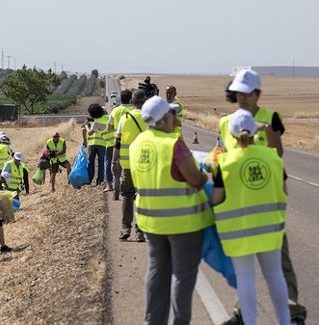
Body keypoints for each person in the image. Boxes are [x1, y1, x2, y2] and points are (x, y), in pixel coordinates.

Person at [219, 69, 306, 325]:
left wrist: (266, 133)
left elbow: (277, 153)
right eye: (238, 93)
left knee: (279, 261)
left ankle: (293, 313)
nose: (242, 98)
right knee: (243, 268)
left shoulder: (271, 118)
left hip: (265, 193)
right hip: (240, 197)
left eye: (246, 94)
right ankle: (242, 313)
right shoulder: (226, 122)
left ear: (257, 94)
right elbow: (226, 154)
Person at [129, 96, 213, 325]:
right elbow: (195, 179)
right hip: (182, 222)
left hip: (149, 221)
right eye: (173, 114)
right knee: (182, 275)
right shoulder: (173, 143)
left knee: (156, 270)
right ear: (164, 118)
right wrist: (205, 173)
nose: (176, 119)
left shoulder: (138, 143)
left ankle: (152, 321)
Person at [212, 110, 290, 325]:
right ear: (256, 131)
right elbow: (283, 190)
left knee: (246, 279)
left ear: (232, 134)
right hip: (271, 228)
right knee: (275, 275)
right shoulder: (273, 158)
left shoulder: (225, 162)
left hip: (239, 231)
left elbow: (217, 198)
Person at [113, 89, 147, 241]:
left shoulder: (124, 118)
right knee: (142, 197)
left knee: (127, 195)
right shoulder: (150, 119)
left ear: (132, 102)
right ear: (145, 102)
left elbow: (117, 143)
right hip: (145, 166)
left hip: (127, 164)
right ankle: (140, 232)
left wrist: (114, 161)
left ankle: (125, 228)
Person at [106, 89, 133, 198]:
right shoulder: (134, 110)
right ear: (131, 99)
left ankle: (116, 193)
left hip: (116, 143)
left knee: (116, 171)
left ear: (120, 99)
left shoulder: (115, 111)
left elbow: (109, 127)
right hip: (131, 144)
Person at [82, 103, 108, 186]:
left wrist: (86, 125)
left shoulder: (96, 121)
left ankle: (89, 179)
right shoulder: (106, 118)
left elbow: (89, 132)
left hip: (93, 143)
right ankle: (99, 180)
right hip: (103, 143)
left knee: (90, 162)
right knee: (101, 163)